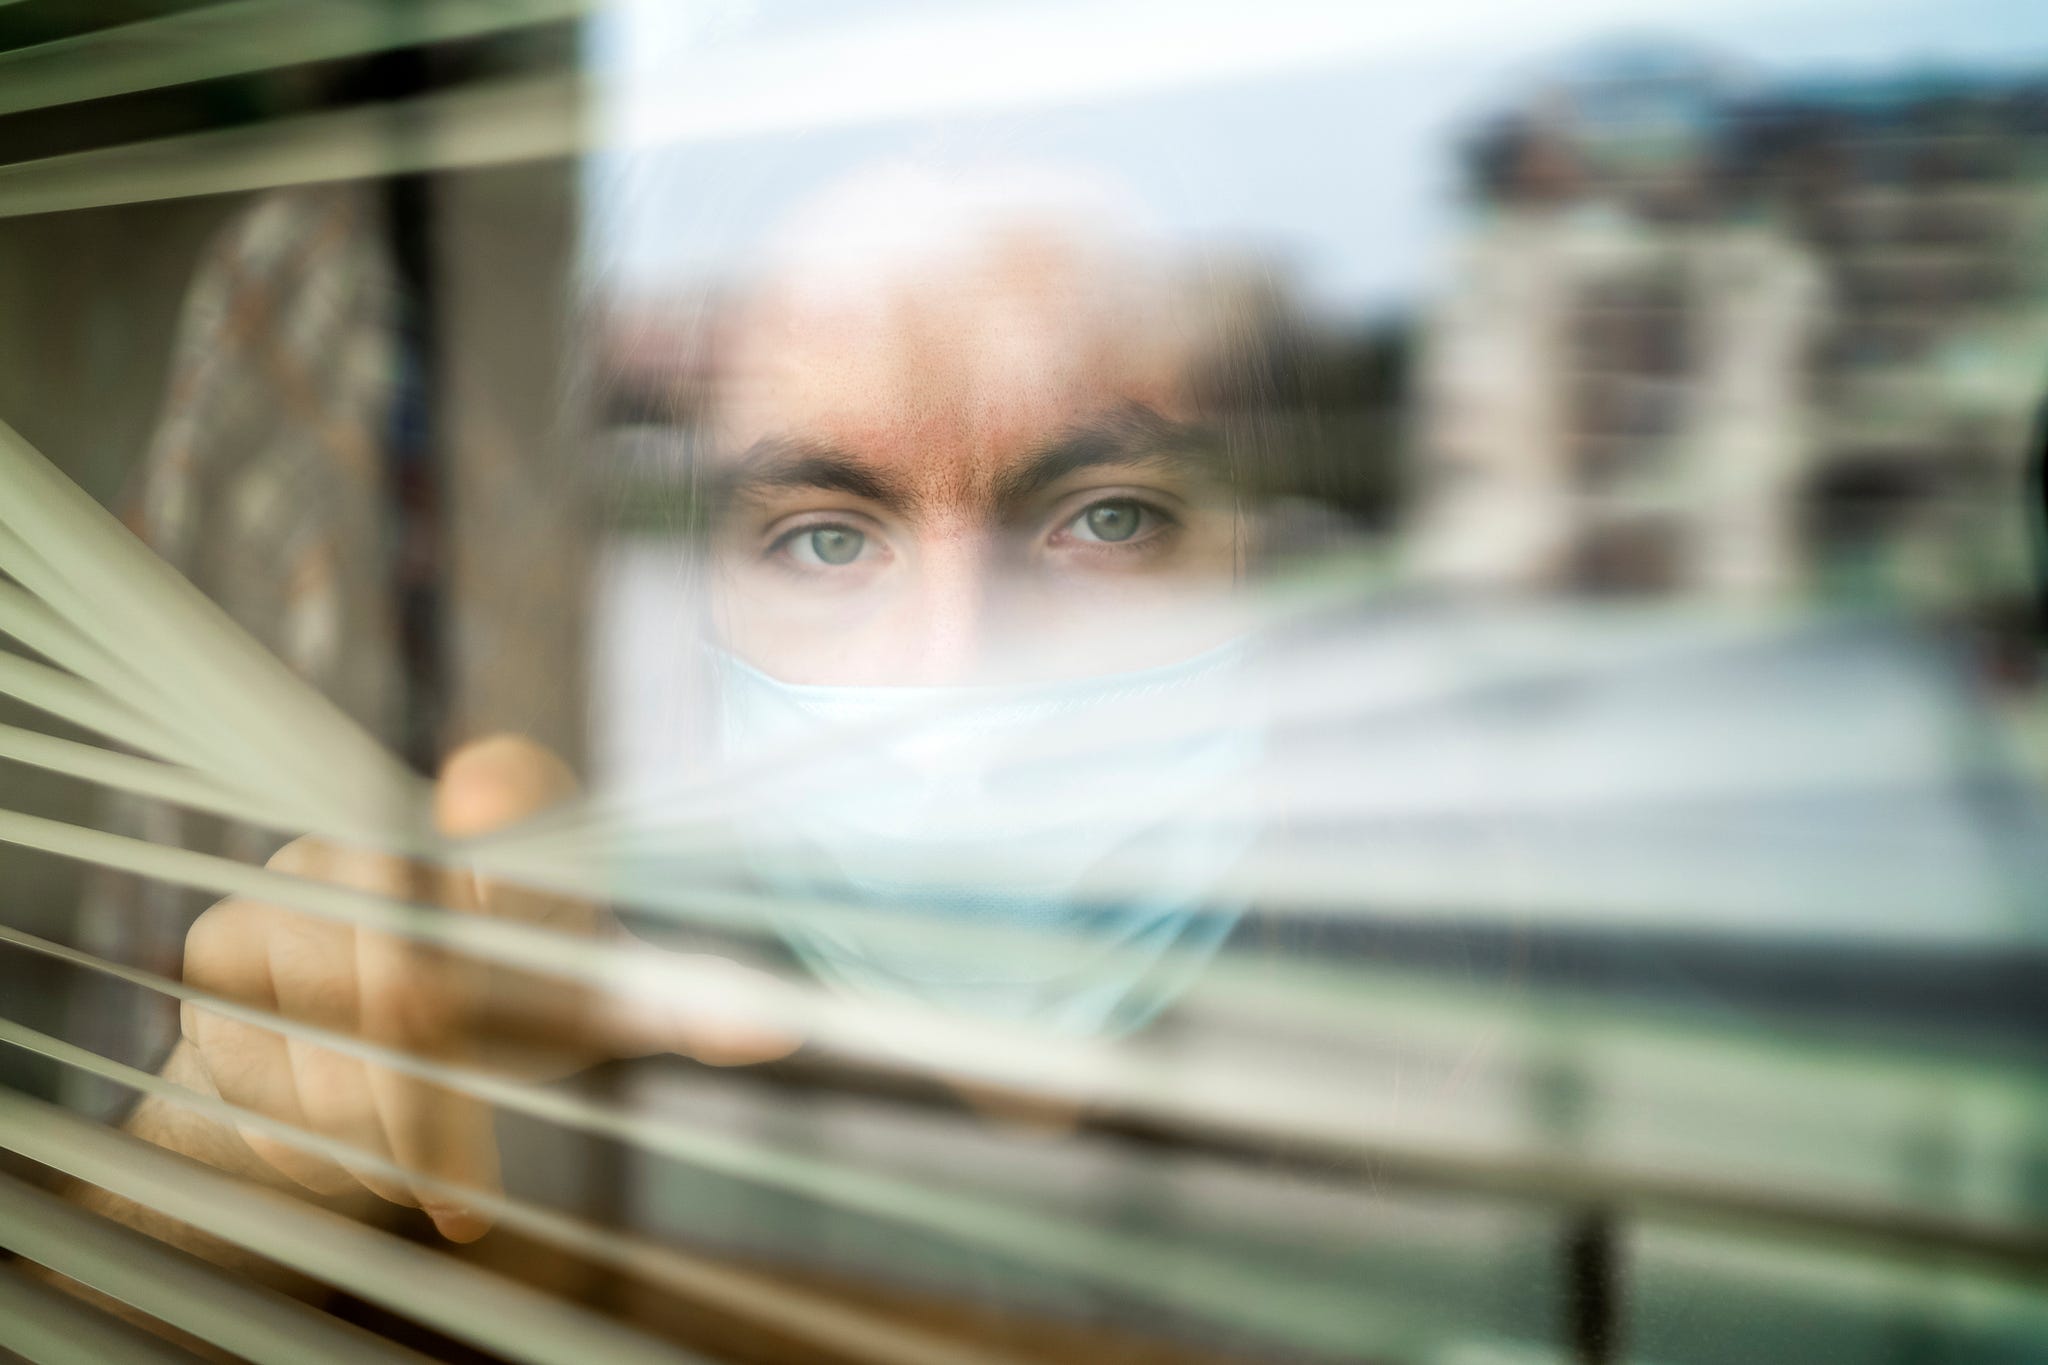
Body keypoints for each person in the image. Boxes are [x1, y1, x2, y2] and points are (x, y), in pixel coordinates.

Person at [82, 161, 1290, 1263]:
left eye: (1108, 521)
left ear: (1262, 551)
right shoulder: (565, 1015)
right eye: (825, 540)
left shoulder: (1439, 990)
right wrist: (236, 1149)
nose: (951, 674)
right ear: (696, 595)